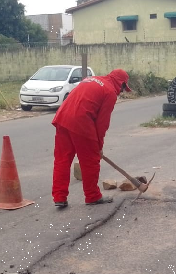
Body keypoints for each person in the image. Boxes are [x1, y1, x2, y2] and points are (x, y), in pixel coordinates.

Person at [51, 69, 131, 207]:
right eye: (124, 88)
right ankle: (92, 196)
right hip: (81, 123)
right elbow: (102, 124)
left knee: (62, 159)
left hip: (62, 118)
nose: (122, 91)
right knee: (90, 161)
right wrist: (98, 147)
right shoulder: (109, 92)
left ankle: (59, 197)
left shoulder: (90, 79)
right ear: (121, 83)